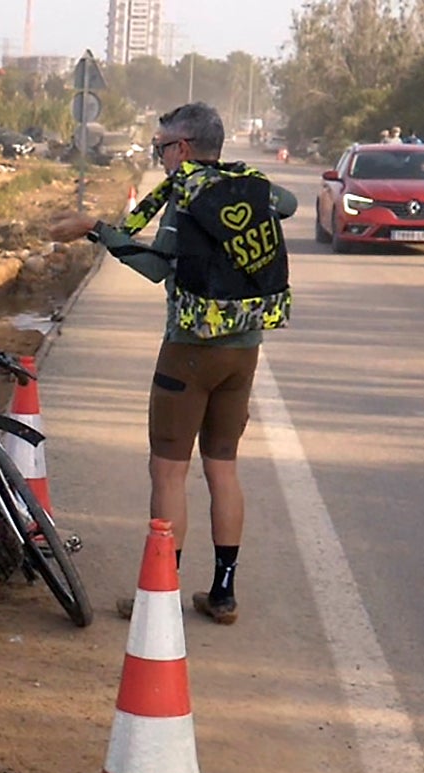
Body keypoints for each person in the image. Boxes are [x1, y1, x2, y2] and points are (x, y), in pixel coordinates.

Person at [49, 102, 295, 624]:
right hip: (244, 349)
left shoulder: (184, 197)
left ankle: (160, 597)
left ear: (182, 148)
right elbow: (290, 203)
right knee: (223, 467)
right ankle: (223, 594)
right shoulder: (251, 184)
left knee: (168, 472)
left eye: (161, 147)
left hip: (189, 351)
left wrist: (99, 229)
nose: (158, 157)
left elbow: (156, 268)